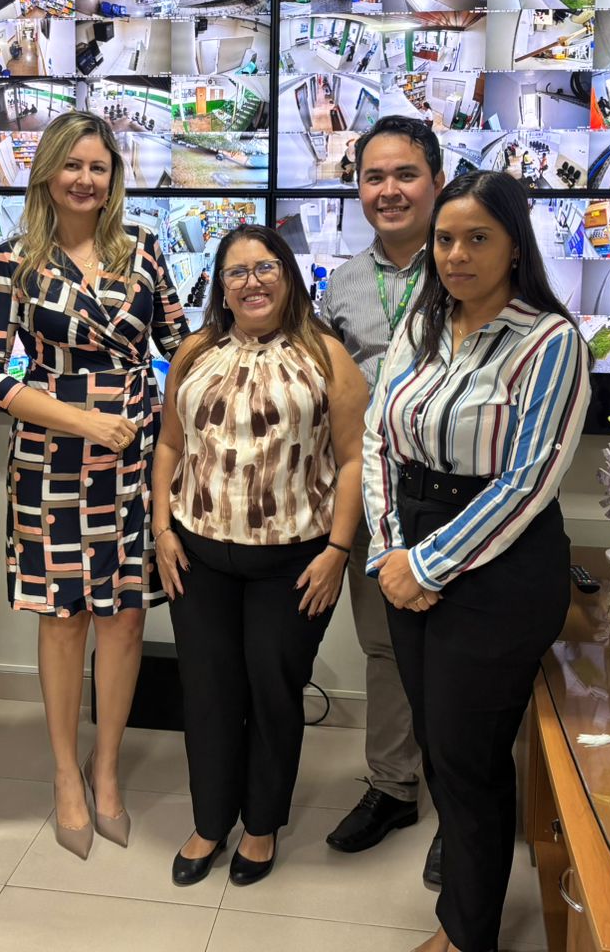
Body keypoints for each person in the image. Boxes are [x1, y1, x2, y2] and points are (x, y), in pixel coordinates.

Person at [366, 170, 591, 952]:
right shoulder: (424, 322)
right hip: (410, 545)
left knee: (468, 756)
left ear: (514, 246)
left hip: (499, 564)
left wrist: (426, 567)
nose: (456, 255)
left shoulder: (550, 341)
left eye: (477, 239)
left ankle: (467, 936)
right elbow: (377, 439)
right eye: (445, 239)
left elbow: (528, 481)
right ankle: (462, 917)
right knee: (440, 745)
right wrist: (390, 550)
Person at [0, 110, 187, 859]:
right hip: (51, 462)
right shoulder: (15, 262)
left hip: (135, 459)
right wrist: (82, 421)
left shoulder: (144, 252)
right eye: (72, 165)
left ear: (113, 177)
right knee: (62, 618)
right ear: (47, 174)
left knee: (123, 617)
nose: (85, 179)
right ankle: (65, 772)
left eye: (99, 166)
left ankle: (107, 768)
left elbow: (185, 345)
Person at [151, 224, 365, 888]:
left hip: (294, 561)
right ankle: (211, 821)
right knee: (208, 692)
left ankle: (262, 824)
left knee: (273, 693)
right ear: (221, 286)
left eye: (266, 267)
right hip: (198, 555)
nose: (253, 282)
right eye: (237, 272)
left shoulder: (326, 355)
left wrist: (338, 550)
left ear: (289, 275)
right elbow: (168, 444)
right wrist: (161, 529)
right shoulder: (195, 351)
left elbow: (355, 459)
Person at [318, 115, 445, 880]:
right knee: (387, 646)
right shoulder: (342, 284)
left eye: (405, 174)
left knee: (460, 653)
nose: (388, 191)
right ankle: (395, 787)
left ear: (436, 179)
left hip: (458, 497)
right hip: (375, 496)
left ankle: (461, 808)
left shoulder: (469, 262)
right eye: (374, 177)